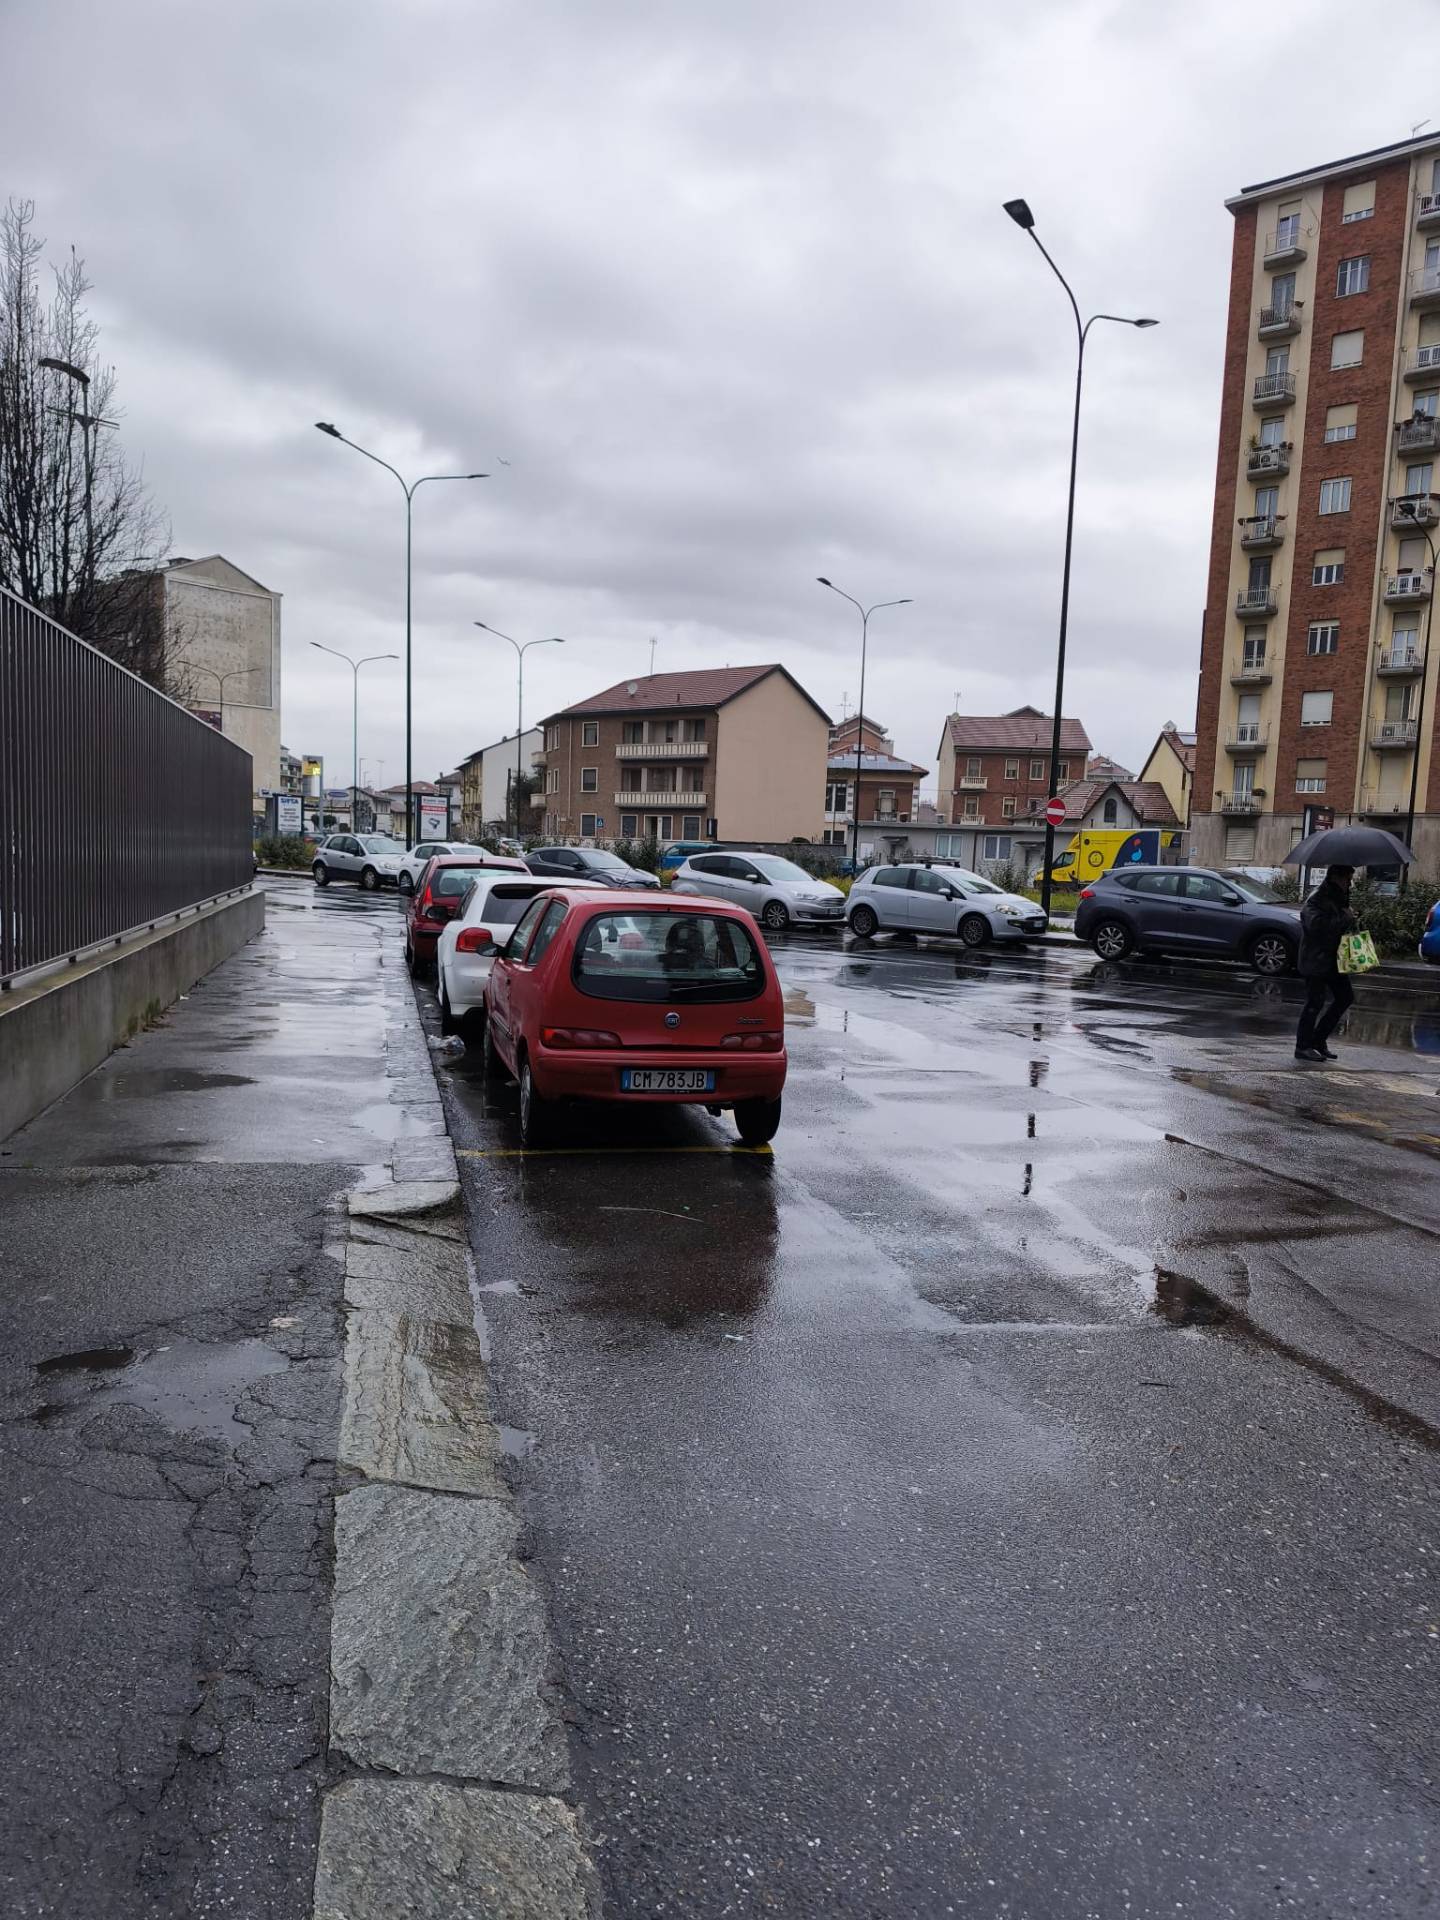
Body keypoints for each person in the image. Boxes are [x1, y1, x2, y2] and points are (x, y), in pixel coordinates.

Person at [1295, 864, 1356, 1062]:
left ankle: (1318, 1040)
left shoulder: (1338, 897)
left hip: (1333, 958)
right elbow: (1316, 927)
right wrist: (1344, 918)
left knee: (1345, 997)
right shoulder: (1317, 898)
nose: (1350, 883)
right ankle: (1303, 1047)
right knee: (1315, 1002)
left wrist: (1349, 917)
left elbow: (1337, 923)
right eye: (1348, 879)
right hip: (1316, 958)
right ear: (1336, 877)